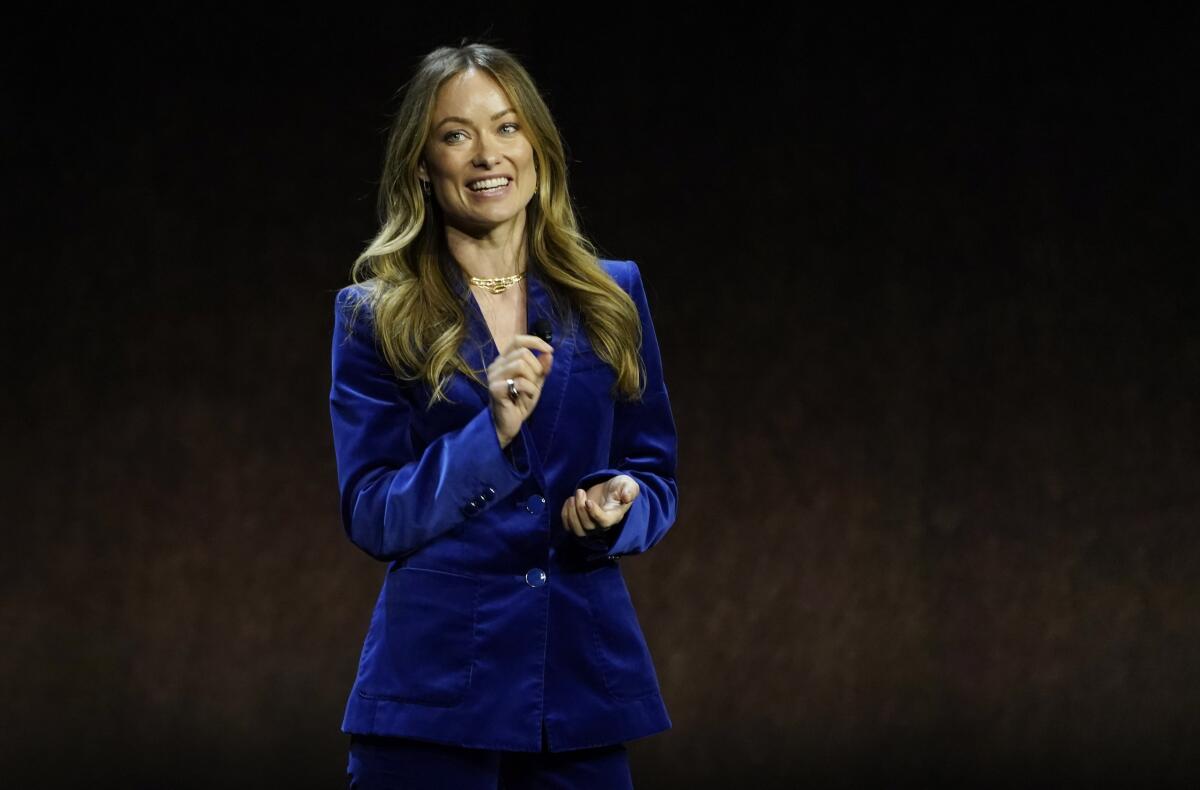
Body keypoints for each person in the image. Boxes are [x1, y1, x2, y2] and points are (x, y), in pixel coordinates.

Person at [328, 42, 679, 789]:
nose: (488, 153)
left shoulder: (611, 295)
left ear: (539, 148)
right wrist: (488, 436)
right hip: (431, 702)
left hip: (576, 694)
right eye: (456, 134)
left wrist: (622, 506)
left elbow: (655, 473)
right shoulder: (374, 315)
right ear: (423, 163)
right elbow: (370, 512)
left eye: (508, 127)